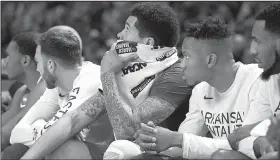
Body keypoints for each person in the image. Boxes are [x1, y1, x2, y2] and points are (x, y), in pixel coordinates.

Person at [132, 17, 272, 159]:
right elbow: (183, 145)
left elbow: (249, 147)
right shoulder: (201, 91)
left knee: (222, 157)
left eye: (187, 56)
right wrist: (153, 141)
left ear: (210, 60)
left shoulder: (259, 79)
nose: (182, 65)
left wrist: (176, 139)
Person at [2, 26, 114, 159]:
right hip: (84, 150)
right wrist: (43, 128)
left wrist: (39, 128)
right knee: (16, 150)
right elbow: (16, 133)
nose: (38, 69)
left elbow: (67, 126)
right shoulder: (56, 86)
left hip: (112, 151)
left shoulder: (91, 79)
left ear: (50, 65)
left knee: (62, 147)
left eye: (38, 62)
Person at [100, 2, 193, 159]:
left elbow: (125, 132)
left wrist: (107, 74)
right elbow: (74, 120)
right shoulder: (127, 71)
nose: (119, 35)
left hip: (171, 154)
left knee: (119, 149)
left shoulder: (178, 73)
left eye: (127, 29)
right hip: (143, 150)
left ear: (148, 43)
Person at [214, 3, 280, 159]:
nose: (252, 50)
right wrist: (259, 142)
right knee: (222, 157)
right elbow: (239, 139)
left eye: (259, 41)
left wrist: (256, 128)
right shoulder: (268, 77)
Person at [1, 32, 45, 151]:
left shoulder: (45, 90)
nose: (5, 61)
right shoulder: (22, 92)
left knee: (14, 151)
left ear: (25, 60)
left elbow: (4, 135)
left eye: (9, 55)